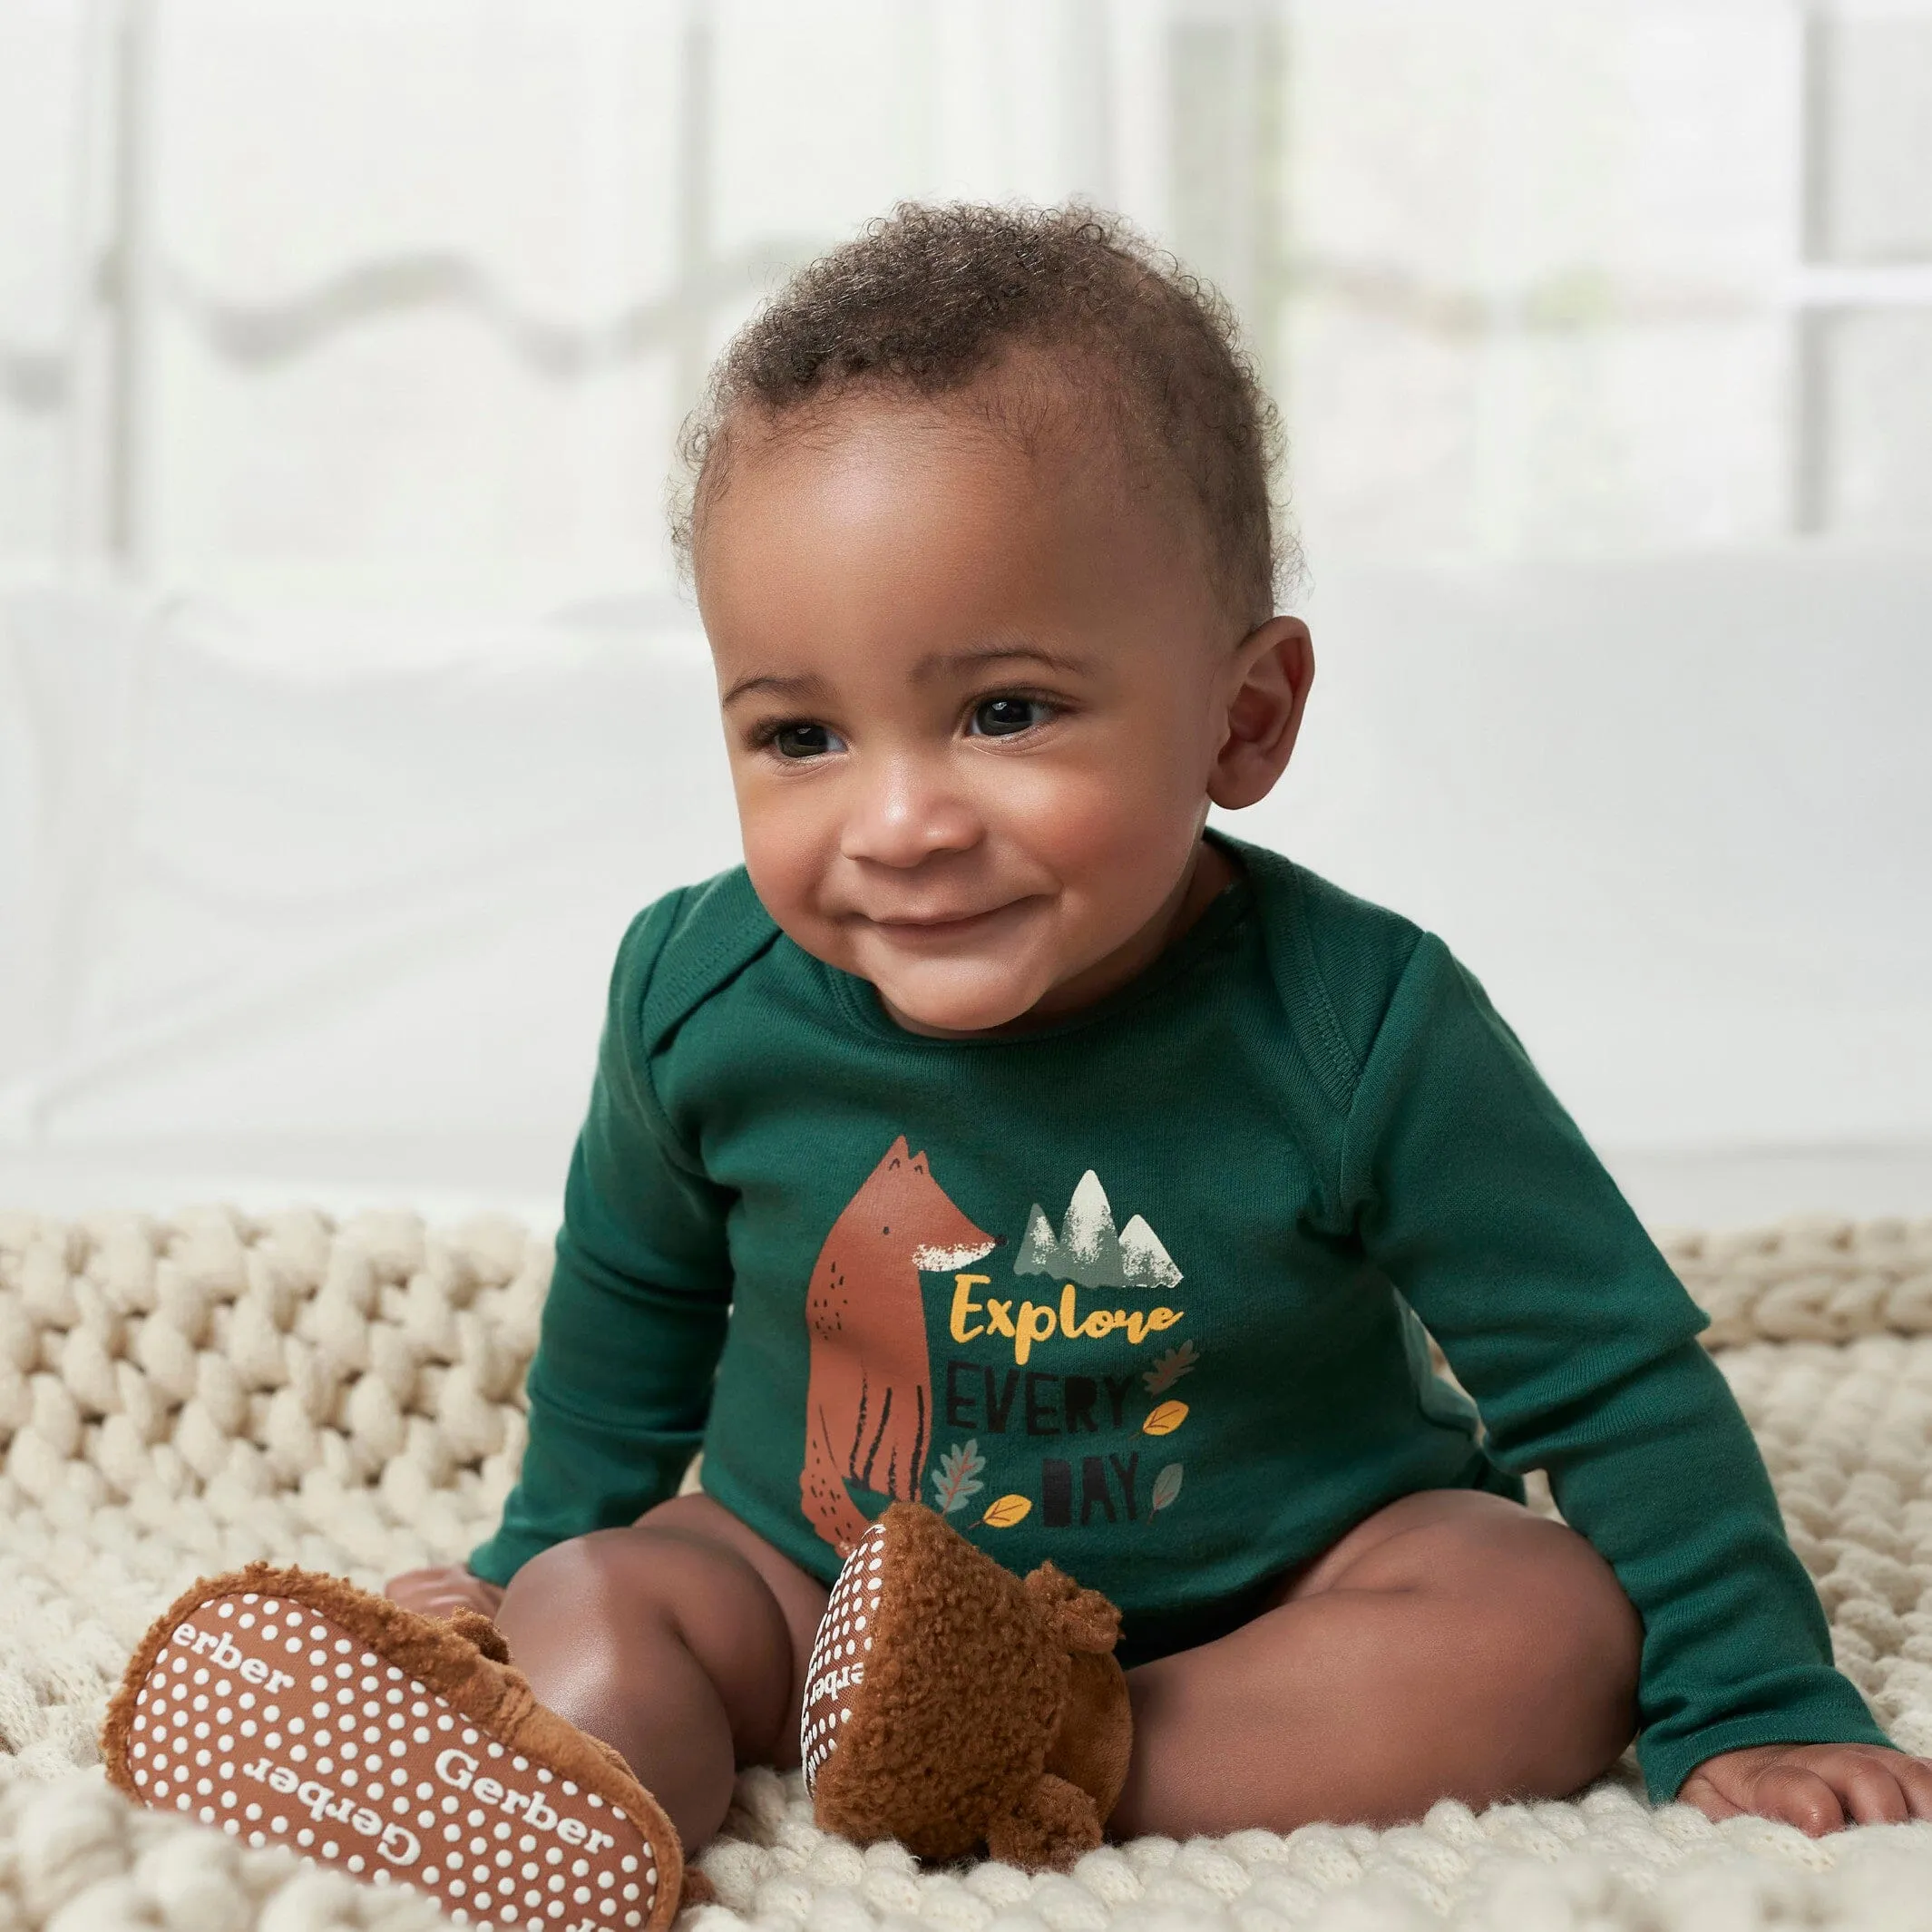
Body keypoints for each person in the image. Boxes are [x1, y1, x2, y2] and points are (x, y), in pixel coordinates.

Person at [386, 203, 1927, 1856]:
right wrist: (530, 1553)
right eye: (802, 732)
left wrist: (1755, 1685)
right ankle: (577, 1786)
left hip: (1264, 1605)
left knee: (1546, 1618)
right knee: (611, 1596)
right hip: (808, 1582)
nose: (898, 819)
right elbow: (634, 1299)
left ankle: (1051, 1748)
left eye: (1005, 712)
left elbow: (1602, 1371)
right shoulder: (698, 989)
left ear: (1241, 717)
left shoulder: (1358, 1021)